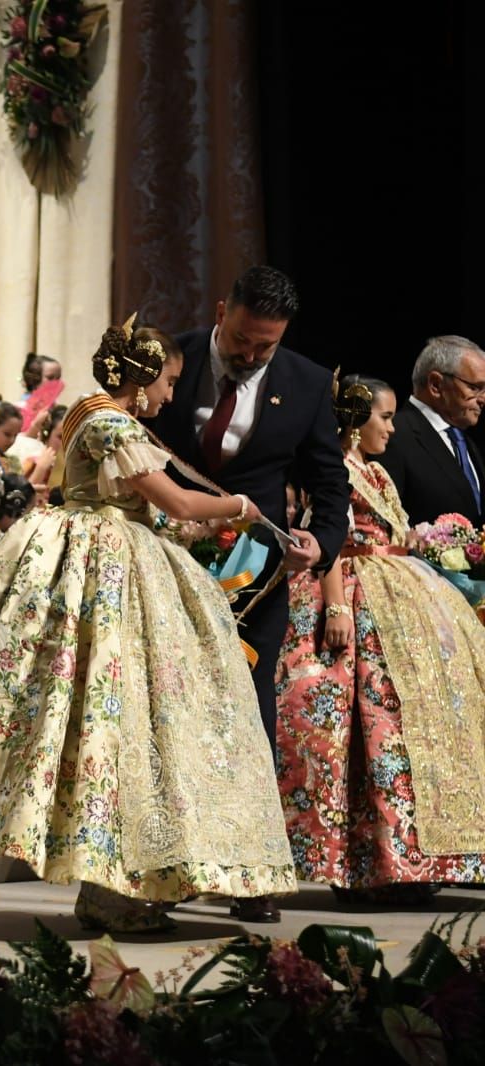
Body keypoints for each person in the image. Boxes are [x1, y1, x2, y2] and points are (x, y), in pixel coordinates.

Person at [0, 318, 294, 934]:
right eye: (170, 382)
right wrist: (238, 506)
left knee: (111, 723)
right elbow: (175, 502)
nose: (172, 396)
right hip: (102, 575)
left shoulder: (97, 417)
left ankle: (118, 885)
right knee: (114, 717)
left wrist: (201, 527)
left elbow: (152, 512)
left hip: (108, 557)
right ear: (146, 376)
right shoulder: (108, 422)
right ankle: (117, 887)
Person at [145, 269, 350, 922]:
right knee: (164, 708)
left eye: (265, 346)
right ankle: (160, 872)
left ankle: (252, 874)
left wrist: (321, 541)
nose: (251, 355)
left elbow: (328, 482)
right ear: (222, 310)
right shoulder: (164, 360)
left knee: (247, 711)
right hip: (165, 559)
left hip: (254, 568)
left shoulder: (308, 382)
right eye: (242, 339)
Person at [275, 375, 485, 904]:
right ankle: (362, 860)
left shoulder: (375, 472)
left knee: (412, 720)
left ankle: (411, 856)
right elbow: (329, 539)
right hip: (351, 591)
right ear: (354, 419)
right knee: (357, 720)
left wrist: (414, 539)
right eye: (385, 418)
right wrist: (338, 606)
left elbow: (389, 531)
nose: (393, 428)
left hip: (400, 592)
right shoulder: (338, 472)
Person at [377, 335, 485, 528]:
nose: (482, 399)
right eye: (475, 388)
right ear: (436, 385)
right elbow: (382, 523)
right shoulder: (393, 435)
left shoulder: (465, 442)